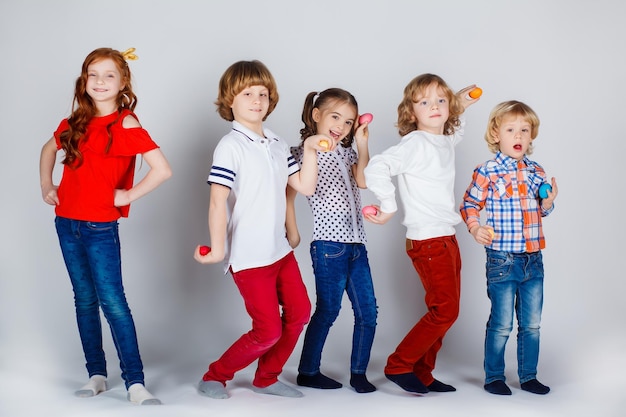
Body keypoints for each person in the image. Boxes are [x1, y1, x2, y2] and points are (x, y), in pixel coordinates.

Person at [39, 47, 172, 405]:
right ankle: (96, 374)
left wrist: (127, 195)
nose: (99, 81)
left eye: (108, 75)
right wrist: (47, 186)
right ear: (84, 80)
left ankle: (135, 382)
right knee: (84, 300)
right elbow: (47, 150)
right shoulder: (75, 122)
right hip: (66, 223)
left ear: (123, 82)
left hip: (100, 228)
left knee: (113, 302)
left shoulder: (126, 123)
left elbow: (162, 169)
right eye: (92, 74)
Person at [193, 60, 330, 400]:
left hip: (279, 251)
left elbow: (303, 186)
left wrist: (311, 148)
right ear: (230, 100)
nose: (257, 100)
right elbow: (216, 201)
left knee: (299, 313)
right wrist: (218, 248)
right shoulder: (230, 146)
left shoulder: (277, 143)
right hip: (250, 256)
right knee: (267, 330)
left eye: (263, 94)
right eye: (248, 93)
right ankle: (216, 375)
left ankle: (267, 377)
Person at [363, 73, 478, 394]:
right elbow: (377, 167)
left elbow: (451, 135)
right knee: (445, 311)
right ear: (411, 113)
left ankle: (423, 372)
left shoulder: (440, 140)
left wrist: (460, 106)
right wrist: (387, 207)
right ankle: (399, 365)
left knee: (445, 311)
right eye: (425, 102)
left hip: (446, 237)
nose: (435, 107)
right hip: (428, 240)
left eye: (441, 100)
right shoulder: (414, 143)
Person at [459, 100, 557, 396]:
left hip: (533, 259)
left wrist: (548, 202)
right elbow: (470, 205)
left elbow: (541, 209)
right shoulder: (487, 171)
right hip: (502, 257)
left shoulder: (536, 171)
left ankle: (528, 376)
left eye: (524, 130)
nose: (518, 136)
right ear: (495, 135)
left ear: (531, 136)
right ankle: (494, 377)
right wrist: (476, 228)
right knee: (502, 323)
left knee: (532, 324)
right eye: (511, 130)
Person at [287, 88, 378, 394]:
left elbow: (363, 181)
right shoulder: (300, 152)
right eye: (335, 116)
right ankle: (308, 371)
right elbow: (296, 193)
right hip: (329, 245)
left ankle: (359, 373)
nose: (341, 125)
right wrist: (292, 228)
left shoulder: (348, 152)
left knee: (369, 311)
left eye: (349, 122)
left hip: (356, 245)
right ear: (316, 115)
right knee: (328, 310)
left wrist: (363, 145)